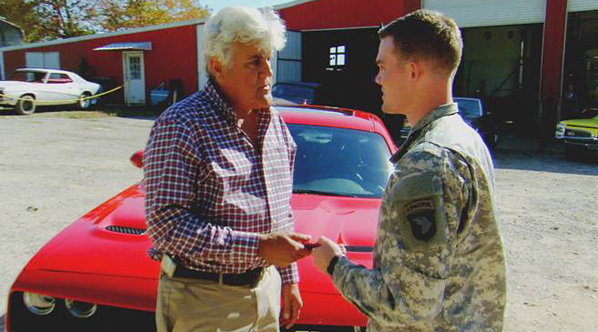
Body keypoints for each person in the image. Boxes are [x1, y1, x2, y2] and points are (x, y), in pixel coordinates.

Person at [312, 10, 507, 331]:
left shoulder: (427, 161)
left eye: (382, 67)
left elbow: (408, 306)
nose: (377, 79)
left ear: (413, 71)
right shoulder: (465, 138)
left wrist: (334, 265)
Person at [143, 6, 312, 332]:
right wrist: (261, 247)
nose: (267, 72)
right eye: (253, 62)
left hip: (266, 288)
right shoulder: (182, 124)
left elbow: (281, 209)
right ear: (217, 66)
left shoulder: (274, 123)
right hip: (205, 298)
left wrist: (288, 277)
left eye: (268, 59)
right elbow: (166, 226)